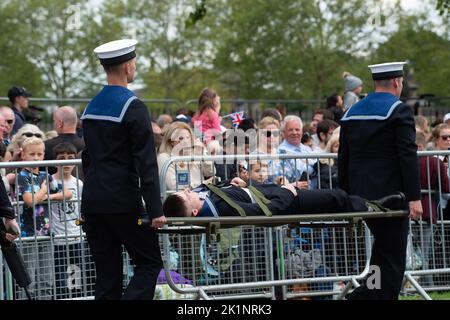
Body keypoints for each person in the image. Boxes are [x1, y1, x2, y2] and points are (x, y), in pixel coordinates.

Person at [80, 39, 166, 300]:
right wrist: (155, 211)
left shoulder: (89, 107)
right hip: (123, 201)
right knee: (150, 263)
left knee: (107, 277)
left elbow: (87, 158)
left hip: (93, 201)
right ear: (129, 66)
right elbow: (146, 162)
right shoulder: (133, 106)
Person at [338, 61, 423, 300]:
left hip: (359, 194)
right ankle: (362, 297)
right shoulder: (399, 110)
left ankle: (368, 291)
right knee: (393, 262)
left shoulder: (352, 111)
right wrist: (415, 197)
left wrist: (344, 194)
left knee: (382, 253)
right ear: (397, 82)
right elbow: (407, 154)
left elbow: (343, 155)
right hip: (390, 197)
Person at [162, 177, 406, 218]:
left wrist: (234, 183)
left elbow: (246, 194)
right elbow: (269, 212)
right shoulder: (223, 211)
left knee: (338, 196)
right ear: (194, 211)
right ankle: (376, 208)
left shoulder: (204, 198)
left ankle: (375, 204)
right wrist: (287, 191)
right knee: (337, 197)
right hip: (285, 202)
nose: (187, 191)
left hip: (271, 191)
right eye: (185, 195)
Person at [17, 137, 70, 299]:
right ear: (23, 155)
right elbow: (29, 201)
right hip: (28, 235)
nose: (36, 157)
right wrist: (43, 191)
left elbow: (68, 194)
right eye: (32, 154)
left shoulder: (45, 175)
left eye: (39, 154)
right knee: (28, 281)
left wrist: (47, 196)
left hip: (47, 234)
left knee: (47, 279)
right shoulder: (22, 175)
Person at [50, 142, 86, 298]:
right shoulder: (50, 181)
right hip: (58, 239)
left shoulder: (78, 183)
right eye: (62, 158)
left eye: (70, 158)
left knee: (76, 278)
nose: (66, 162)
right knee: (60, 280)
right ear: (55, 161)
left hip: (76, 237)